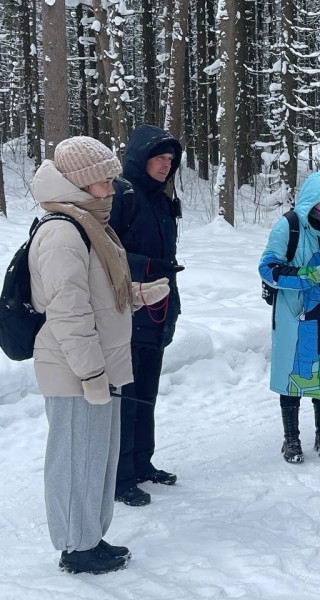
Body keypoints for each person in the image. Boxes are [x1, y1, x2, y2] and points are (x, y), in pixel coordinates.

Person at [28, 137, 170, 573]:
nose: (111, 190)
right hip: (76, 370)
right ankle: (76, 547)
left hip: (100, 368)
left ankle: (89, 536)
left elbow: (97, 290)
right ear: (80, 183)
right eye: (103, 183)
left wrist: (137, 293)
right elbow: (69, 311)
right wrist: (91, 374)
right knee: (75, 459)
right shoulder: (61, 231)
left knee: (96, 459)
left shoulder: (89, 225)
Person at [259, 172, 320, 464]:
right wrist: (308, 276)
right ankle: (291, 438)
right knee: (294, 373)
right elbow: (268, 268)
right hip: (296, 316)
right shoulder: (288, 227)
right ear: (313, 200)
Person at [110, 125, 183, 507]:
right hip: (127, 310)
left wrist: (173, 304)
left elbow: (169, 266)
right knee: (127, 396)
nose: (166, 165)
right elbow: (105, 252)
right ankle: (120, 477)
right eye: (159, 157)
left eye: (170, 160)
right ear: (141, 157)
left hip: (158, 309)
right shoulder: (122, 194)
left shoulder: (162, 200)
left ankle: (142, 463)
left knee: (148, 395)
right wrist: (149, 267)